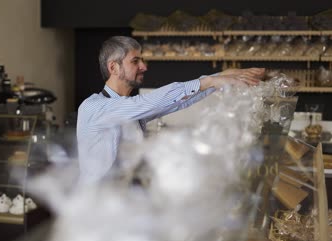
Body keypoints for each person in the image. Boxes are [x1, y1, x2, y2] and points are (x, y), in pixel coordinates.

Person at [77, 36, 265, 184]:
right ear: (114, 67)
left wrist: (220, 77)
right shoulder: (94, 107)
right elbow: (150, 102)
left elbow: (177, 102)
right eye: (135, 61)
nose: (144, 66)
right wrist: (209, 81)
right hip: (97, 210)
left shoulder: (129, 108)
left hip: (123, 204)